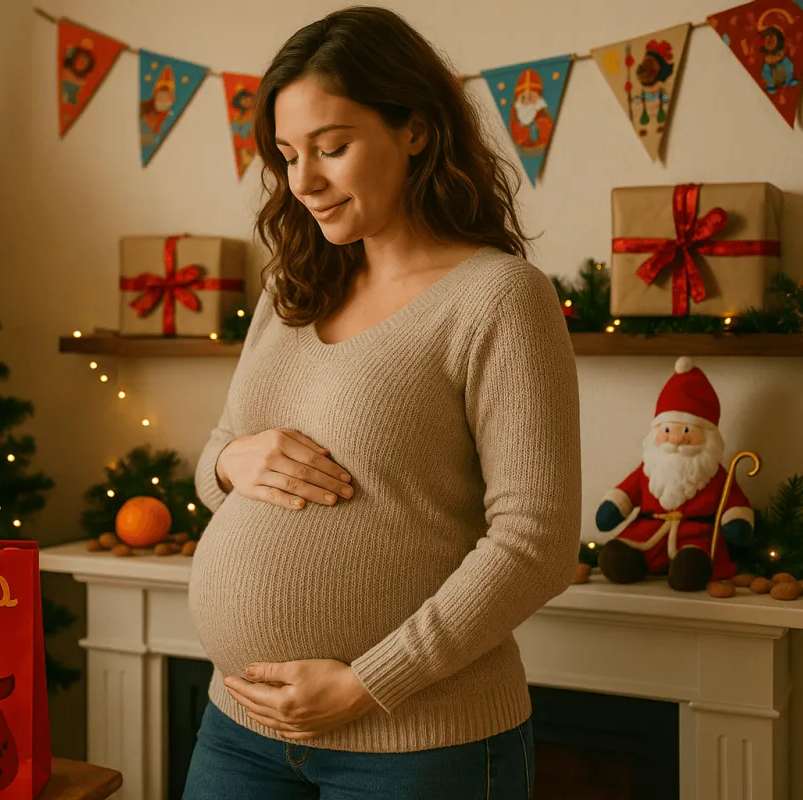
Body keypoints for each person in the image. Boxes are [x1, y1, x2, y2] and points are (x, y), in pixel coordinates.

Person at [184, 7, 580, 799]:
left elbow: (536, 540)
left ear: (416, 130)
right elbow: (218, 461)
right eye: (289, 155)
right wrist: (228, 460)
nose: (304, 182)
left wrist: (370, 682)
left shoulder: (498, 297)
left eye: (332, 148)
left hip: (418, 746)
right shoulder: (292, 289)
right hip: (240, 728)